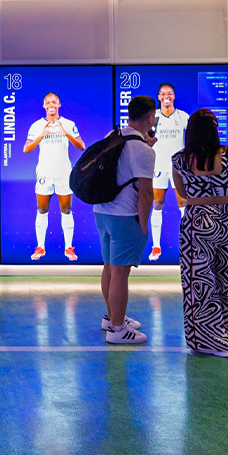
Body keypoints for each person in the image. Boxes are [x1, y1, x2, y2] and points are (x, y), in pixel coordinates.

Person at [170, 108, 228, 356]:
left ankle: (213, 342)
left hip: (197, 223)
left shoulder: (180, 160)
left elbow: (183, 193)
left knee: (198, 283)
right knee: (227, 280)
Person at [95, 94, 156, 345]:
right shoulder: (143, 150)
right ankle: (118, 329)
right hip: (125, 215)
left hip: (102, 211)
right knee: (121, 273)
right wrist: (143, 224)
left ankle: (112, 317)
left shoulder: (113, 136)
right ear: (150, 118)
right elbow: (146, 193)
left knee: (110, 266)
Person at [23, 92, 85, 260]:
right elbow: (26, 149)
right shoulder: (36, 126)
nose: (51, 105)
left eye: (54, 102)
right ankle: (40, 247)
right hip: (44, 173)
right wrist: (41, 135)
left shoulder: (68, 124)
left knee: (66, 210)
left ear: (59, 104)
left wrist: (66, 133)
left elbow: (81, 146)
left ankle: (68, 248)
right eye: (48, 102)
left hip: (64, 174)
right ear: (44, 105)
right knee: (42, 210)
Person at [149, 83, 189, 261]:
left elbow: (192, 139)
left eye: (170, 93)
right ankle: (156, 247)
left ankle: (189, 244)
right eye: (163, 93)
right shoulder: (153, 118)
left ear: (174, 96)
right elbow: (145, 139)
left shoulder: (183, 117)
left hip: (178, 168)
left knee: (184, 205)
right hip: (158, 167)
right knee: (157, 204)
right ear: (159, 96)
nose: (167, 96)